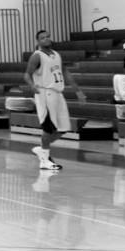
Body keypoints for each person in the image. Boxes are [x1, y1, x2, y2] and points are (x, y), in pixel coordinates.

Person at [23, 29, 86, 170]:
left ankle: (41, 150)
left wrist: (78, 91)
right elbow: (26, 75)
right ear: (38, 41)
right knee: (48, 128)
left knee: (63, 129)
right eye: (42, 38)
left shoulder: (56, 54)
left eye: (48, 36)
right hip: (45, 93)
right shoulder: (37, 56)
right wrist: (32, 86)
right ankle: (44, 161)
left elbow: (65, 73)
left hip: (58, 93)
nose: (46, 39)